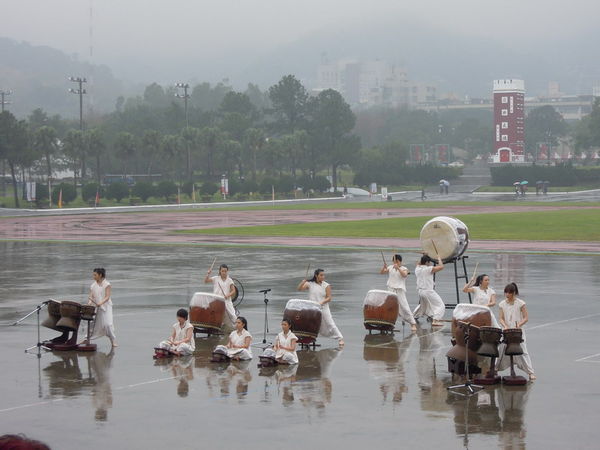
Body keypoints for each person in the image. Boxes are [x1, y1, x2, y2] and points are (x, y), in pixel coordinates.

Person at [498, 283, 536, 381]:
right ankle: (494, 369)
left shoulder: (520, 303)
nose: (507, 294)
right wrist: (505, 326)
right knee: (502, 349)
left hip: (518, 331)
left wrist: (519, 325)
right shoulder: (502, 304)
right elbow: (501, 318)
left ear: (514, 293)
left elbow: (526, 318)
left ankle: (531, 372)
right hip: (507, 331)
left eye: (509, 292)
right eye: (506, 292)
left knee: (523, 351)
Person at [298, 269, 344, 347]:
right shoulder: (310, 284)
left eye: (323, 275)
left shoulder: (326, 285)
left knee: (330, 323)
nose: (323, 277)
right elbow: (299, 289)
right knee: (310, 324)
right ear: (316, 275)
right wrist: (303, 282)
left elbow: (329, 298)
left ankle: (340, 338)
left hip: (323, 307)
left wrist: (321, 302)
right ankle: (308, 339)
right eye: (321, 275)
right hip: (312, 307)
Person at [380, 254, 417, 331]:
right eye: (393, 262)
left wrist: (398, 269)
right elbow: (382, 273)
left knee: (405, 307)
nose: (395, 263)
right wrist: (383, 268)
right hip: (391, 290)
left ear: (399, 261)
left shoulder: (404, 268)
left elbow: (404, 275)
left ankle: (413, 323)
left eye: (396, 262)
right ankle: (388, 324)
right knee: (389, 307)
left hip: (399, 290)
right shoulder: (390, 267)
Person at [87, 268, 117, 347]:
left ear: (100, 275)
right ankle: (87, 339)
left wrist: (100, 303)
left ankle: (113, 341)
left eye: (95, 275)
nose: (93, 276)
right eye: (93, 275)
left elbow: (107, 297)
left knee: (108, 324)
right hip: (97, 307)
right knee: (92, 324)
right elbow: (91, 296)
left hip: (106, 307)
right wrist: (89, 303)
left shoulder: (107, 284)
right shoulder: (93, 285)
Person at [413, 255, 445, 326]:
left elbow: (419, 263)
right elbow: (441, 267)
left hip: (420, 291)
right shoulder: (428, 269)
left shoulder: (417, 269)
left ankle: (414, 316)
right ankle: (436, 320)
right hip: (428, 291)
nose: (430, 263)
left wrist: (424, 255)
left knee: (423, 306)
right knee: (441, 305)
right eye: (429, 262)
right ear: (427, 262)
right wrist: (439, 259)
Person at [204, 263, 237, 328]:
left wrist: (228, 295)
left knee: (233, 315)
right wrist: (208, 274)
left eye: (225, 271)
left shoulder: (229, 280)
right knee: (216, 315)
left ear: (227, 271)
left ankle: (235, 327)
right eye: (222, 271)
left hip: (226, 300)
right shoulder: (216, 278)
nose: (224, 272)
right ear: (220, 271)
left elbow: (233, 290)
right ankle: (216, 326)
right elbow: (206, 281)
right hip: (217, 300)